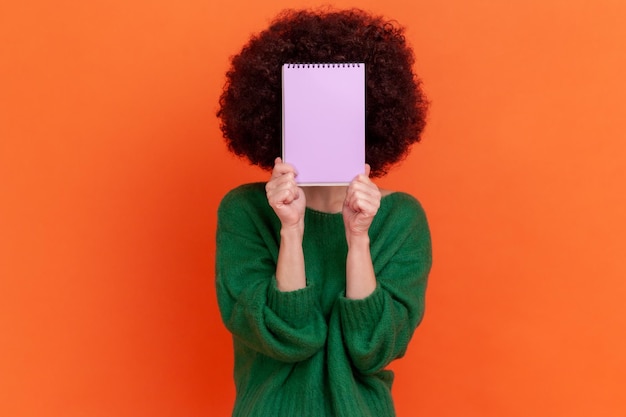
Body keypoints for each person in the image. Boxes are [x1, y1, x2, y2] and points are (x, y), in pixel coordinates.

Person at [215, 8, 432, 417]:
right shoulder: (243, 211)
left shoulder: (401, 219)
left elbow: (372, 348)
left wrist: (359, 240)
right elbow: (289, 337)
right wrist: (291, 232)